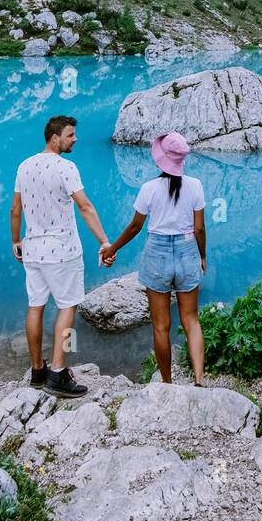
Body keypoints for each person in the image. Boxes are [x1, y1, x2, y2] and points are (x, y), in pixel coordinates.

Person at [11, 114, 113, 399]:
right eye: (70, 135)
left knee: (35, 306)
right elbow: (85, 207)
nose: (75, 139)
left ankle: (36, 370)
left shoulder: (24, 166)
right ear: (55, 137)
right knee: (67, 307)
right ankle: (58, 372)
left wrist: (16, 240)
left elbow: (15, 209)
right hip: (63, 252)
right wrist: (104, 241)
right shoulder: (66, 167)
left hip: (32, 250)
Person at [102, 131, 206, 385]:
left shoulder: (149, 189)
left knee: (161, 326)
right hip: (187, 250)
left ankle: (168, 383)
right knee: (191, 319)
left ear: (160, 160)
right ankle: (200, 379)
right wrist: (202, 257)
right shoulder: (195, 186)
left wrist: (112, 248)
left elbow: (135, 227)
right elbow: (199, 229)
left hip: (157, 255)